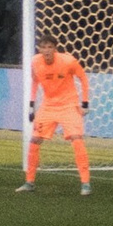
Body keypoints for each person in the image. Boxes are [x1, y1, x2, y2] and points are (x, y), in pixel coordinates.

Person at [20, 38, 92, 195]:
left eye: (50, 47)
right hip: (48, 106)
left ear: (55, 49)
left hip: (69, 105)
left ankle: (85, 183)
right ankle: (29, 182)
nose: (46, 50)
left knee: (77, 139)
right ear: (39, 49)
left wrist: (85, 103)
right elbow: (35, 82)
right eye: (43, 47)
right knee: (34, 140)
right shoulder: (35, 62)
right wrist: (32, 106)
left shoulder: (68, 61)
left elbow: (83, 78)